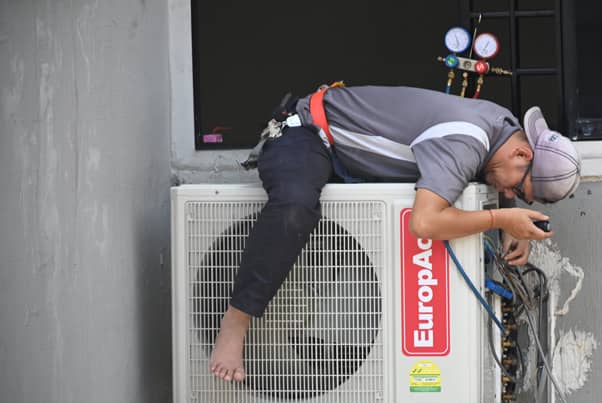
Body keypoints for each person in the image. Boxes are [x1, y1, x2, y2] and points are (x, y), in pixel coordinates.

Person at [210, 85, 581, 382]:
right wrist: (500, 219)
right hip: (307, 133)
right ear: (522, 154)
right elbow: (424, 223)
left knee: (331, 252)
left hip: (348, 160)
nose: (511, 193)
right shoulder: (466, 141)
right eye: (519, 188)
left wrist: (509, 211)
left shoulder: (503, 125)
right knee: (294, 208)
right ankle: (235, 322)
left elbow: (500, 171)